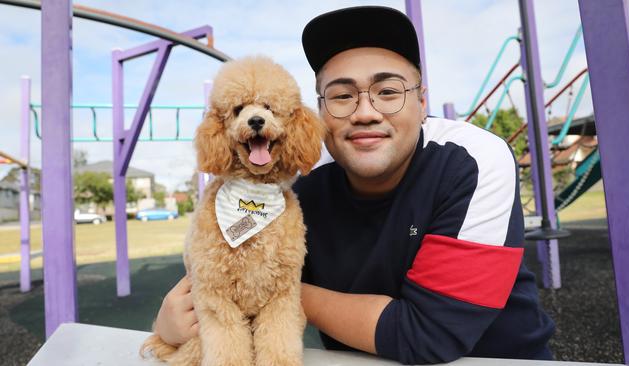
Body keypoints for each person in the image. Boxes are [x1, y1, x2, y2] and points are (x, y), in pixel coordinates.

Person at [154, 6, 555, 365]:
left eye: (387, 92)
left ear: (422, 102)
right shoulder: (293, 180)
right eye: (342, 95)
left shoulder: (476, 159)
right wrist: (176, 321)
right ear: (320, 109)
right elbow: (226, 271)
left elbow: (430, 335)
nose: (365, 112)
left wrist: (278, 293)